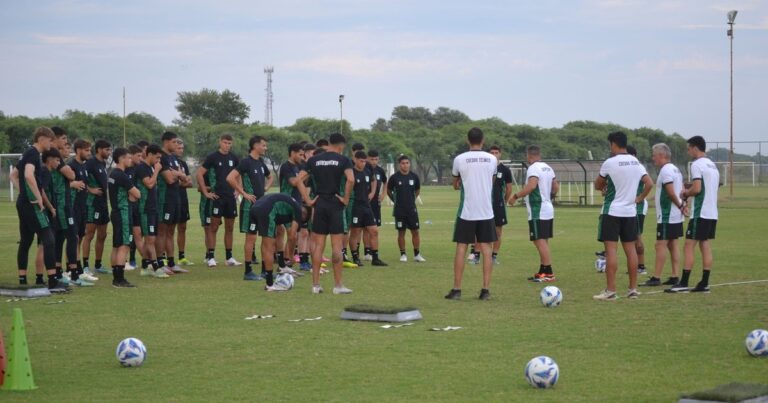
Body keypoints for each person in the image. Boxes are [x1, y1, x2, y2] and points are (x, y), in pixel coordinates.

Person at [593, 131, 653, 301]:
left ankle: (611, 291)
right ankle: (632, 289)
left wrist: (603, 187)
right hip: (630, 212)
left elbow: (598, 184)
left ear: (613, 144)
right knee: (631, 251)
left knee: (611, 251)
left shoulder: (610, 162)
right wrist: (639, 198)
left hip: (612, 212)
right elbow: (649, 183)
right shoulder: (636, 163)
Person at [296, 132, 355, 294]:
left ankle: (315, 285)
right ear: (341, 145)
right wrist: (345, 199)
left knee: (317, 246)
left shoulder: (314, 160)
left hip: (319, 204)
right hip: (335, 204)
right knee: (336, 247)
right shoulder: (343, 160)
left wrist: (308, 200)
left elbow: (298, 180)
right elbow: (351, 180)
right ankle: (338, 286)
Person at [444, 128, 498, 300]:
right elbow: (492, 180)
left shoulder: (459, 159)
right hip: (486, 211)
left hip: (467, 211)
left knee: (461, 247)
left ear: (468, 141)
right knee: (487, 249)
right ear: (483, 141)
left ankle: (457, 289)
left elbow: (455, 184)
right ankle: (485, 290)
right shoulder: (492, 159)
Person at [13, 128, 68, 291]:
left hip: (23, 202)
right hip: (31, 205)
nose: (51, 145)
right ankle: (52, 281)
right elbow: (29, 175)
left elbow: (14, 176)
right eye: (50, 141)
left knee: (26, 240)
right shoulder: (32, 154)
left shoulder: (27, 153)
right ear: (42, 139)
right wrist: (37, 197)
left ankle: (22, 279)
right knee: (49, 239)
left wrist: (23, 192)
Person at [666, 136, 720, 293]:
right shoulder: (713, 165)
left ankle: (683, 282)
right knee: (705, 245)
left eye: (689, 148)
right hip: (712, 212)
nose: (688, 151)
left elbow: (697, 188)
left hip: (700, 213)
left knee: (689, 245)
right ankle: (704, 283)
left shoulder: (697, 165)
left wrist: (685, 194)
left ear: (695, 148)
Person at [227, 135, 273, 281]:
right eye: (263, 145)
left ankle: (266, 270)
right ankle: (248, 271)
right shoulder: (246, 162)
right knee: (251, 238)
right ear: (255, 146)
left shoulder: (260, 163)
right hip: (249, 206)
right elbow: (230, 178)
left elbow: (270, 177)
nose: (265, 148)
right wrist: (244, 193)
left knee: (266, 237)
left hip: (262, 204)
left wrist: (265, 188)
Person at [511, 145, 559, 282]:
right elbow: (556, 186)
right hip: (548, 208)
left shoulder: (533, 168)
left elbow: (531, 186)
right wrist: (548, 197)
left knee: (539, 241)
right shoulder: (548, 167)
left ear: (529, 155)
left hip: (538, 210)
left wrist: (515, 196)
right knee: (543, 240)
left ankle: (549, 272)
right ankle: (543, 270)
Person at [49, 128, 90, 286]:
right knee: (70, 238)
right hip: (63, 207)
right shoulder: (57, 163)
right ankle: (72, 275)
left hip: (65, 206)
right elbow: (70, 177)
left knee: (62, 238)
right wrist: (72, 182)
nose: (68, 147)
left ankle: (63, 274)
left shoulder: (59, 163)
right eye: (65, 144)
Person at [641, 143, 684, 287]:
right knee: (673, 244)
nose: (653, 158)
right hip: (675, 215)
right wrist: (682, 205)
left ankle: (656, 277)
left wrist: (681, 206)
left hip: (667, 215)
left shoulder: (665, 171)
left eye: (654, 155)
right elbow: (681, 190)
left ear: (662, 155)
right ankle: (674, 275)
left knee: (660, 245)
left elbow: (671, 192)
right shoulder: (676, 169)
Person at [197, 134, 240, 267]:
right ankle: (210, 257)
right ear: (220, 142)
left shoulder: (234, 158)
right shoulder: (212, 157)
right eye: (225, 142)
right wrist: (205, 192)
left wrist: (238, 190)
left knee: (230, 228)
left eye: (229, 143)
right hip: (217, 198)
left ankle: (229, 257)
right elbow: (199, 173)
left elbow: (239, 174)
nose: (227, 145)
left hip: (230, 198)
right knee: (213, 227)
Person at [247, 193, 305, 291]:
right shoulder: (298, 211)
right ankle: (269, 284)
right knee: (268, 246)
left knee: (279, 231)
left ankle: (281, 266)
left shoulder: (288, 208)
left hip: (255, 207)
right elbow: (292, 237)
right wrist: (291, 257)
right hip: (267, 210)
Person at [471, 145, 512, 265]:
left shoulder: (505, 170)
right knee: (479, 230)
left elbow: (509, 188)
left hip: (498, 204)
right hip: (483, 203)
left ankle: (494, 256)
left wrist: (504, 200)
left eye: (496, 152)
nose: (494, 154)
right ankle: (477, 255)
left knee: (498, 231)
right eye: (492, 152)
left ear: (500, 154)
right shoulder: (483, 167)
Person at [108, 147, 141, 287]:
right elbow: (137, 194)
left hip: (115, 212)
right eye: (128, 157)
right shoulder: (121, 175)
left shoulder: (112, 174)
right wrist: (132, 195)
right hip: (122, 212)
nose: (130, 160)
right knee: (124, 245)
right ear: (121, 159)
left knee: (116, 245)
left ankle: (116, 276)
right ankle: (119, 279)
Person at [135, 144, 168, 278]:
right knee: (150, 239)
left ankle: (144, 267)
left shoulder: (149, 167)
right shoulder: (142, 168)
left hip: (153, 208)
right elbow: (149, 184)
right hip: (145, 208)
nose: (158, 161)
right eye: (157, 157)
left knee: (151, 238)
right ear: (149, 154)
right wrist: (156, 171)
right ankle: (155, 267)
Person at [68, 139, 99, 282]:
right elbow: (62, 184)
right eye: (86, 150)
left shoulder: (84, 167)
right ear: (78, 150)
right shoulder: (71, 165)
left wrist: (89, 189)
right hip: (72, 207)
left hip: (83, 207)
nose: (89, 153)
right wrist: (72, 184)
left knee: (80, 237)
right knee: (73, 239)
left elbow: (84, 185)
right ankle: (73, 269)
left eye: (89, 150)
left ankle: (76, 268)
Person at [156, 131, 186, 274]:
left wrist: (178, 175)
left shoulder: (174, 158)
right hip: (164, 200)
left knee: (171, 232)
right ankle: (160, 263)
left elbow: (185, 180)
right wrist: (178, 175)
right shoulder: (161, 158)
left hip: (176, 199)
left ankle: (172, 263)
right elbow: (169, 179)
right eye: (174, 142)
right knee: (162, 231)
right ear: (166, 142)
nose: (176, 144)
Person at [350, 150, 387, 266]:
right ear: (355, 160)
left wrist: (372, 193)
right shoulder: (351, 172)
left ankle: (375, 258)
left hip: (367, 206)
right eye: (361, 161)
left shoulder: (367, 170)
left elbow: (374, 180)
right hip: (355, 206)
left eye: (364, 161)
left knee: (374, 231)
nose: (363, 163)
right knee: (355, 232)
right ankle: (355, 257)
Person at [387, 155, 425, 263]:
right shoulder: (394, 178)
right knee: (401, 232)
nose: (405, 165)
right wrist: (396, 201)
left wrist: (411, 200)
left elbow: (417, 191)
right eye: (403, 163)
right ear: (399, 165)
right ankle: (403, 254)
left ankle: (417, 254)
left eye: (407, 163)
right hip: (399, 210)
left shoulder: (414, 177)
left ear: (410, 164)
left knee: (415, 231)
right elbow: (389, 191)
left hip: (411, 209)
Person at [82, 139, 112, 275]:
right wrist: (90, 189)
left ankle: (98, 265)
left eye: (110, 149)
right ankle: (85, 266)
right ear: (99, 149)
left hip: (103, 204)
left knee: (102, 235)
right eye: (107, 149)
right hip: (92, 204)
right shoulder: (90, 163)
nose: (109, 152)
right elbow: (80, 178)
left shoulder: (103, 163)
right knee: (89, 235)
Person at [627, 145, 649, 275]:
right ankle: (636, 266)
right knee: (631, 237)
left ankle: (641, 266)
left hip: (638, 207)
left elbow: (649, 183)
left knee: (637, 237)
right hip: (630, 206)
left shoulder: (639, 167)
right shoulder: (631, 167)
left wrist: (640, 197)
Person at [365, 149, 387, 261]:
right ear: (367, 158)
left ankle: (371, 251)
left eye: (376, 159)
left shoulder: (380, 171)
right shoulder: (364, 169)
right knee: (365, 228)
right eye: (372, 159)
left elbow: (385, 181)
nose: (374, 161)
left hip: (376, 203)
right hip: (365, 202)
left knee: (374, 228)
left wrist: (383, 194)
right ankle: (366, 251)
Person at [175, 140, 193, 269]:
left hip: (182, 199)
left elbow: (190, 182)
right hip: (170, 200)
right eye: (179, 148)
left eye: (182, 148)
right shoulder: (166, 162)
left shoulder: (183, 164)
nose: (181, 150)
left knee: (182, 227)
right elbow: (169, 181)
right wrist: (181, 181)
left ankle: (181, 257)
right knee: (167, 229)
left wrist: (180, 181)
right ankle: (164, 258)